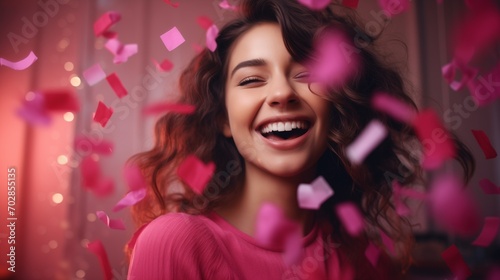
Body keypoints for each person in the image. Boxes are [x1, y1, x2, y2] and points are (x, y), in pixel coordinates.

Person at [126, 0, 474, 279]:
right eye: (251, 80)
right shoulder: (173, 242)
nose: (281, 93)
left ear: (337, 106)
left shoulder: (363, 259)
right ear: (222, 119)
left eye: (306, 74)